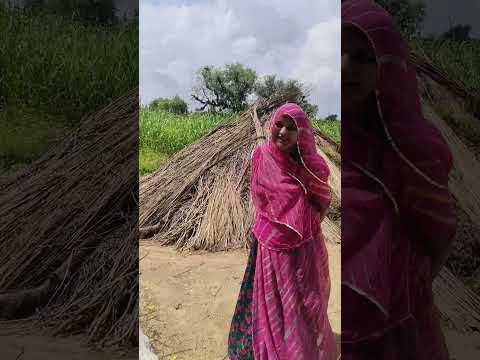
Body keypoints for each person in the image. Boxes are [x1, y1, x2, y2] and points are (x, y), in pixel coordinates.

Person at [341, 1, 457, 359]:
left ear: (386, 65)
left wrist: (405, 287)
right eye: (337, 53)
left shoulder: (410, 148)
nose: (346, 67)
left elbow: (438, 233)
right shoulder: (313, 140)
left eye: (363, 57)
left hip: (399, 321)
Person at [227, 103, 338, 360]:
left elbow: (322, 201)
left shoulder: (314, 166)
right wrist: (278, 228)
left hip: (305, 247)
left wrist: (303, 228)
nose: (283, 132)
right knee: (274, 304)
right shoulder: (260, 156)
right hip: (269, 244)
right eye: (279, 124)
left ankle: (303, 350)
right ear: (272, 124)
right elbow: (260, 199)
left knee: (306, 301)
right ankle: (277, 348)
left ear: (302, 134)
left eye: (291, 127)